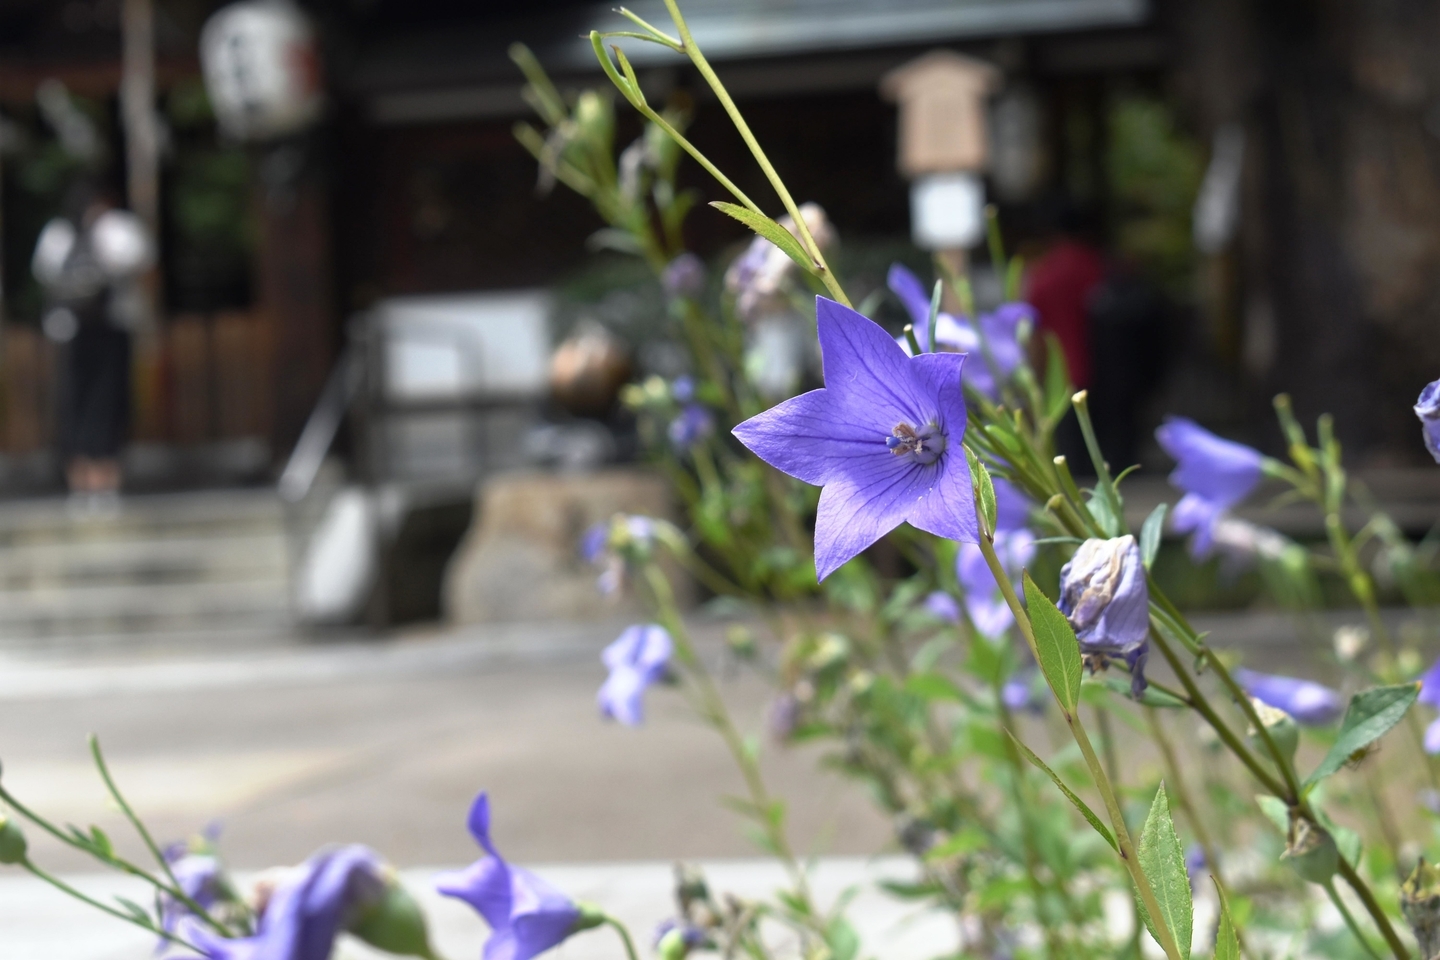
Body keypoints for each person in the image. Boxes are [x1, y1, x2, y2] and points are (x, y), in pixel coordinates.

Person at [31, 179, 152, 505]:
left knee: (109, 402)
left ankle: (106, 483)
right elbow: (46, 270)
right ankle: (81, 483)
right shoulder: (59, 236)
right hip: (74, 333)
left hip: (112, 329)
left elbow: (135, 255)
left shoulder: (115, 229)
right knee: (74, 406)